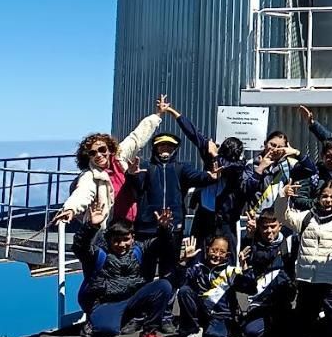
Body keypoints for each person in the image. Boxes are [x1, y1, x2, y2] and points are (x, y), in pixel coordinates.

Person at [72, 200, 174, 337]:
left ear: (132, 237)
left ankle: (149, 333)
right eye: (116, 240)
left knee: (164, 286)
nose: (121, 244)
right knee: (106, 329)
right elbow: (80, 247)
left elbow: (163, 246)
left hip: (132, 300)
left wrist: (164, 229)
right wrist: (91, 227)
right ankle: (98, 331)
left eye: (126, 239)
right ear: (109, 239)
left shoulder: (140, 249)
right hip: (106, 303)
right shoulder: (99, 254)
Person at [54, 95, 169, 226]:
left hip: (134, 225)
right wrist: (70, 209)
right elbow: (82, 192)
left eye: (102, 149)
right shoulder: (91, 175)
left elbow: (137, 137)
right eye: (92, 153)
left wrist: (158, 114)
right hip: (110, 227)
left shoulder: (121, 156)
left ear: (109, 149)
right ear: (88, 157)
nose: (98, 155)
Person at [273, 180, 332, 337]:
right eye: (325, 196)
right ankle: (319, 321)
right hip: (307, 280)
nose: (328, 200)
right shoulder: (307, 216)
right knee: (298, 335)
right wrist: (282, 197)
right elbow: (283, 216)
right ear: (318, 197)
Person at [163, 99, 258, 244]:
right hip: (204, 212)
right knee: (198, 249)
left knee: (226, 253)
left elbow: (234, 168)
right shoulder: (210, 154)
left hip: (225, 217)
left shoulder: (236, 165)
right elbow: (193, 133)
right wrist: (172, 112)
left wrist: (216, 156)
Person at [127, 131, 214, 250]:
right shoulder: (145, 166)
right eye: (161, 145)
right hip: (147, 226)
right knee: (146, 265)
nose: (165, 148)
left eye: (169, 145)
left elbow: (197, 176)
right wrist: (131, 174)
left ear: (174, 148)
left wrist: (210, 176)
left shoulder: (182, 167)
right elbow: (136, 184)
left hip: (174, 225)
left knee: (170, 264)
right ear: (155, 148)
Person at [236, 210, 297, 337]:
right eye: (264, 227)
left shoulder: (290, 243)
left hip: (282, 301)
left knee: (296, 332)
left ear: (280, 225)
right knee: (250, 333)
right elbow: (246, 284)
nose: (269, 231)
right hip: (259, 303)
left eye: (272, 226)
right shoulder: (251, 245)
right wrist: (245, 267)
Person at [175, 234, 243, 337]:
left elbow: (249, 287)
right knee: (184, 290)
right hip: (202, 314)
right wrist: (184, 261)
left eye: (222, 252)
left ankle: (222, 331)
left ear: (227, 255)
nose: (217, 255)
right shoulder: (198, 268)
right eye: (214, 250)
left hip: (221, 316)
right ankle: (195, 330)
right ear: (207, 250)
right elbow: (179, 282)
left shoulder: (231, 272)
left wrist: (244, 269)